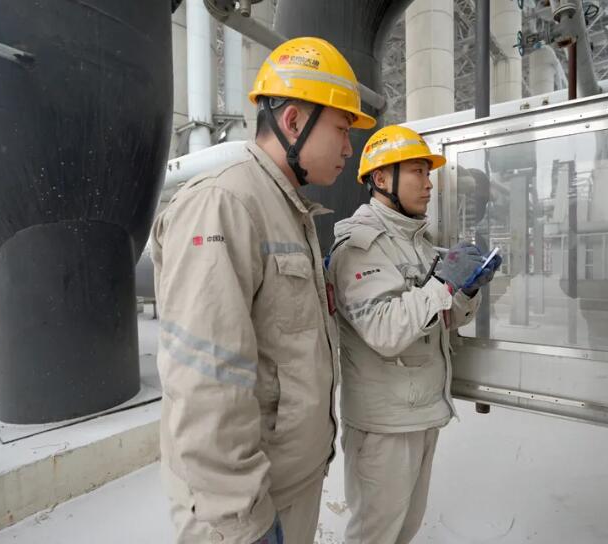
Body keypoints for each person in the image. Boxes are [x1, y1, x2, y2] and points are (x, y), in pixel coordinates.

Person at [151, 36, 376, 544]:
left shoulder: (286, 208)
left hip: (285, 485)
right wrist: (242, 520)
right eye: (342, 129)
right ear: (294, 121)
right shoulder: (224, 204)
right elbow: (205, 378)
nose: (349, 148)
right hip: (239, 512)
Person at [326, 125, 501, 543]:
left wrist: (466, 289)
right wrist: (442, 284)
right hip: (384, 423)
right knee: (375, 534)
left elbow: (442, 320)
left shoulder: (418, 242)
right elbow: (384, 330)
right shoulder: (360, 246)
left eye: (428, 173)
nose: (428, 184)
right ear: (381, 179)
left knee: (404, 528)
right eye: (417, 172)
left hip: (418, 411)